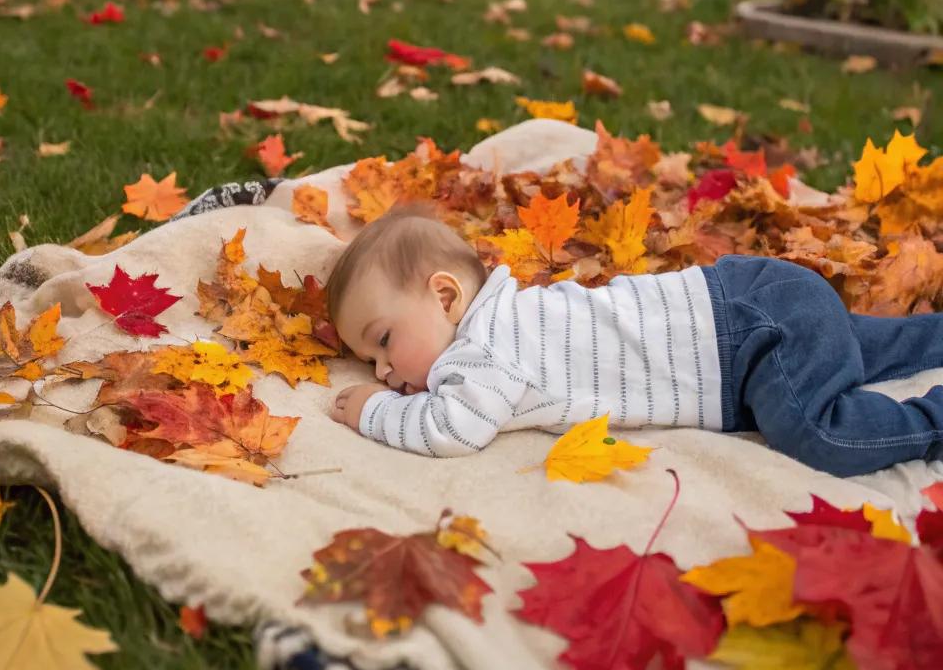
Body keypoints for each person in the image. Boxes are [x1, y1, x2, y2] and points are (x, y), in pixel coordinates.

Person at [326, 203, 943, 478]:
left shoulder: (485, 347)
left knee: (822, 434)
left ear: (444, 297)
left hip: (746, 337)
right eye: (369, 363)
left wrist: (374, 413)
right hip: (748, 300)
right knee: (874, 349)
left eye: (383, 342)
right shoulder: (507, 318)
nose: (381, 371)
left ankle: (931, 421)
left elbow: (452, 430)